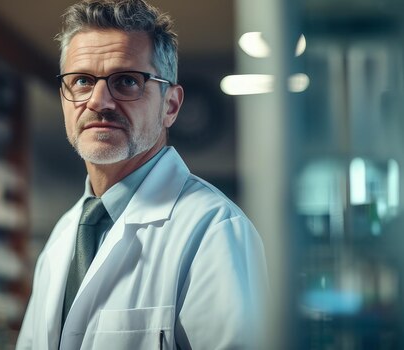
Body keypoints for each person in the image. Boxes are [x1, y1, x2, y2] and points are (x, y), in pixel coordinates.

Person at [16, 0, 268, 349]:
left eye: (127, 81)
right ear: (64, 96)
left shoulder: (214, 230)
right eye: (82, 81)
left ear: (171, 105)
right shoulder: (62, 238)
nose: (99, 101)